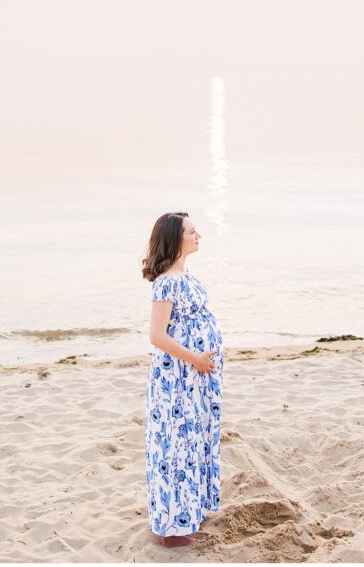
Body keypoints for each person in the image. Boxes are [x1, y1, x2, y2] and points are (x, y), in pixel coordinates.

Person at [141, 211, 224, 548]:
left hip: (196, 376)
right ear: (176, 239)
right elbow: (157, 336)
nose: (198, 235)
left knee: (195, 441)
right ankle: (171, 531)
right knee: (176, 445)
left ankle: (191, 511)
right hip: (178, 378)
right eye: (192, 231)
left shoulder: (185, 275)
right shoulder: (167, 282)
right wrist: (196, 359)